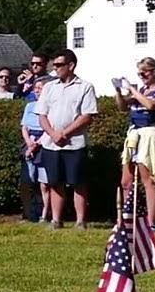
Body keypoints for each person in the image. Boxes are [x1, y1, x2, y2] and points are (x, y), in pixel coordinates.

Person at [35, 49, 98, 229]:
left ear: (71, 65)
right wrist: (53, 134)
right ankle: (56, 219)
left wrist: (65, 133)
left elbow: (86, 115)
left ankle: (80, 221)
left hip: (75, 143)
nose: (55, 69)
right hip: (51, 144)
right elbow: (42, 115)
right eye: (54, 65)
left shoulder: (85, 87)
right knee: (55, 182)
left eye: (59, 65)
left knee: (78, 182)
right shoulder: (49, 87)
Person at [113, 57, 155, 231]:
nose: (142, 76)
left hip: (148, 133)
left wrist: (132, 89)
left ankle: (151, 222)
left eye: (144, 72)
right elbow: (124, 107)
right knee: (126, 180)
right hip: (133, 133)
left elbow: (151, 104)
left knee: (148, 179)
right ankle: (127, 218)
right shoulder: (142, 90)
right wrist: (118, 92)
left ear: (154, 72)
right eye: (139, 73)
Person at [20, 78, 51, 222]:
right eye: (36, 88)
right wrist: (29, 143)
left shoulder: (50, 107)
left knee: (44, 184)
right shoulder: (30, 106)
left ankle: (44, 215)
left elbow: (49, 128)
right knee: (27, 181)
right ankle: (28, 214)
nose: (37, 91)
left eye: (41, 88)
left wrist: (37, 144)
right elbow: (24, 127)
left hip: (43, 143)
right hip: (29, 141)